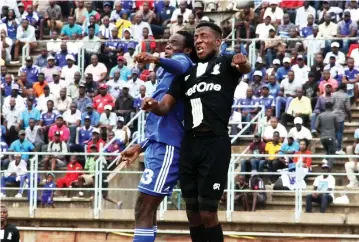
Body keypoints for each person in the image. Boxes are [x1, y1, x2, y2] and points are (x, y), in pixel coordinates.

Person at [136, 22, 251, 242]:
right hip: (190, 144)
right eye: (196, 37)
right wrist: (153, 105)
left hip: (214, 144)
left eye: (204, 36)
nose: (199, 40)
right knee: (193, 213)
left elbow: (245, 69)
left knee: (208, 212)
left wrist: (244, 63)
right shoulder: (186, 72)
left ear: (218, 41)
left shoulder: (226, 63)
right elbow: (165, 107)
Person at [117, 30, 196, 242]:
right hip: (156, 143)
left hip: (168, 146)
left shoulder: (183, 62)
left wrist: (154, 58)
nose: (168, 46)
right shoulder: (164, 73)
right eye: (167, 42)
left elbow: (180, 65)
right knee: (144, 207)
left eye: (174, 43)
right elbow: (160, 120)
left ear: (187, 49)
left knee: (145, 206)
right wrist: (140, 146)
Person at [316, 102, 337, 169]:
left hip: (323, 137)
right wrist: (333, 131)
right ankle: (329, 168)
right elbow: (337, 127)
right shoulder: (334, 115)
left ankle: (324, 162)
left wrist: (320, 132)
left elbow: (316, 127)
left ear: (325, 107)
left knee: (328, 151)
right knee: (332, 153)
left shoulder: (320, 115)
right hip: (331, 136)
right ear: (332, 107)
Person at [332, 84, 351, 155]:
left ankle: (333, 148)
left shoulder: (333, 94)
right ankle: (338, 149)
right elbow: (348, 108)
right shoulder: (346, 96)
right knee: (339, 133)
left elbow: (330, 104)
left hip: (332, 116)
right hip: (340, 116)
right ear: (344, 88)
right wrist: (350, 117)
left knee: (334, 133)